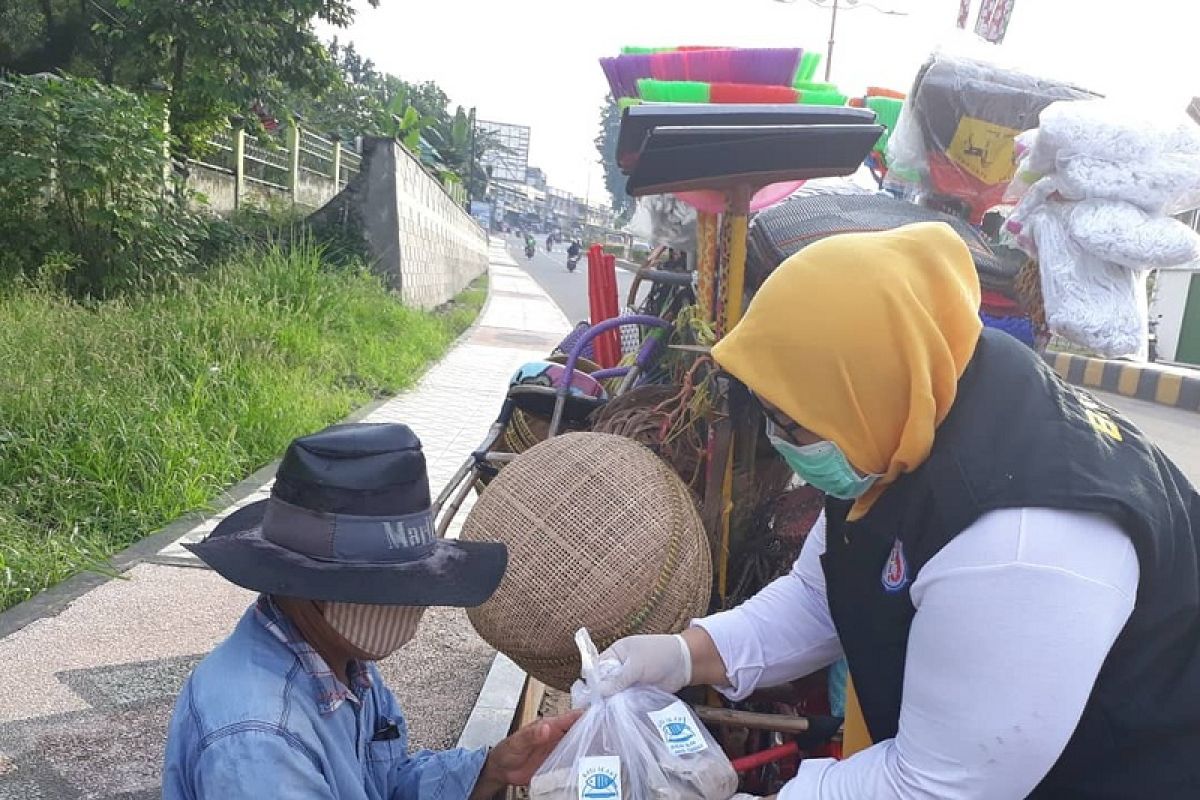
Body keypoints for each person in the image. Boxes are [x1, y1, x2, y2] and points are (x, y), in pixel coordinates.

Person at [595, 222, 1200, 798]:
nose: (782, 443)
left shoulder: (1019, 546)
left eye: (794, 425)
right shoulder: (909, 403)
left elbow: (935, 786)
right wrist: (684, 653)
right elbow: (819, 593)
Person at [163, 422, 579, 799]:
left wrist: (492, 768)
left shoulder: (339, 661)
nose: (408, 608)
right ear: (300, 582)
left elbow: (386, 785)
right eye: (383, 588)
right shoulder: (262, 743)